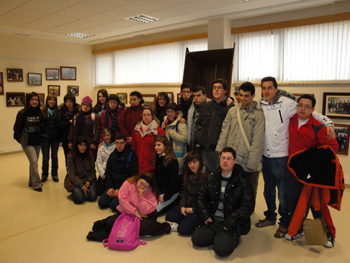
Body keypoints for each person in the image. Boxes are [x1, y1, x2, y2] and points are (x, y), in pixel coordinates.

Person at [257, 76, 335, 238]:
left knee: (283, 194)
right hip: (265, 156)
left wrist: (329, 124)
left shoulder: (287, 104)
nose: (266, 91)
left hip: (282, 158)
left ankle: (284, 223)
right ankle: (270, 217)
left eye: (270, 88)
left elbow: (314, 114)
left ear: (276, 89)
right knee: (267, 191)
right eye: (264, 88)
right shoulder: (261, 104)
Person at [285, 94, 339, 247]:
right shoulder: (290, 120)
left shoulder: (319, 127)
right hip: (293, 171)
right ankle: (298, 229)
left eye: (307, 106)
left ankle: (329, 235)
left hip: (312, 175)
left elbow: (333, 147)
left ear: (313, 110)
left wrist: (315, 159)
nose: (302, 108)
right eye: (300, 105)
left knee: (318, 205)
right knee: (294, 203)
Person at [191, 147, 255, 257]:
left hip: (229, 223)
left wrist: (230, 222)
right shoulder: (211, 177)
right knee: (196, 240)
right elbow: (200, 197)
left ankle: (229, 237)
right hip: (213, 219)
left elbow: (247, 206)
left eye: (229, 158)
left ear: (234, 161)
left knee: (220, 250)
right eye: (223, 158)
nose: (225, 161)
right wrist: (205, 215)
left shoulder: (243, 182)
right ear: (219, 159)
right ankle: (219, 236)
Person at [87, 173, 174, 242]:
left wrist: (141, 197)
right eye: (141, 183)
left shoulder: (152, 192)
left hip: (144, 215)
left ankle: (166, 226)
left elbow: (145, 211)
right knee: (110, 224)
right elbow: (122, 200)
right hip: (127, 211)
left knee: (143, 228)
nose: (142, 187)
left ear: (149, 187)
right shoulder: (128, 183)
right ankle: (108, 219)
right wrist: (134, 211)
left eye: (145, 186)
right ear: (138, 179)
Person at [216, 82, 264, 201]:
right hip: (232, 158)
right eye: (240, 95)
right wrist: (221, 151)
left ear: (253, 95)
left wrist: (252, 163)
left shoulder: (258, 115)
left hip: (248, 159)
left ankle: (246, 214)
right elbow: (224, 132)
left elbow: (258, 141)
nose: (242, 98)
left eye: (246, 96)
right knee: (231, 188)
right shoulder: (232, 111)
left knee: (248, 190)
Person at [194, 79, 234, 172]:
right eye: (214, 88)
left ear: (225, 91)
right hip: (205, 150)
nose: (216, 90)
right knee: (206, 177)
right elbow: (198, 125)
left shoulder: (230, 108)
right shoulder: (206, 106)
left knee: (219, 176)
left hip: (220, 151)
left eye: (219, 88)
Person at [166, 150, 209, 235]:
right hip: (187, 206)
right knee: (169, 217)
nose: (192, 165)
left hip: (199, 210)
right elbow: (184, 193)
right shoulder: (188, 175)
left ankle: (195, 223)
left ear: (200, 162)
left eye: (194, 162)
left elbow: (207, 200)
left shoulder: (207, 177)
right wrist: (182, 206)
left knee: (183, 230)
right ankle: (187, 220)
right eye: (190, 163)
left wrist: (193, 210)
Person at [98, 133, 138, 211]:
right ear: (115, 143)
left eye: (122, 143)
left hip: (125, 188)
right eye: (117, 143)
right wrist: (110, 187)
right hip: (113, 185)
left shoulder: (131, 156)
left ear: (125, 143)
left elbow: (132, 177)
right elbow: (108, 172)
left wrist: (120, 190)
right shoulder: (112, 156)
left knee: (114, 206)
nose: (119, 145)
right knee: (102, 203)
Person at [13, 92, 44, 192]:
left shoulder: (40, 112)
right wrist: (20, 139)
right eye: (32, 100)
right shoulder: (22, 113)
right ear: (28, 101)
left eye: (36, 100)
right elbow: (16, 127)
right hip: (27, 142)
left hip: (37, 141)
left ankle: (32, 181)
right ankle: (37, 184)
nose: (34, 102)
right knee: (34, 161)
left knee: (33, 162)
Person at [131, 107, 165, 174]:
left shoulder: (158, 130)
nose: (146, 117)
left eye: (148, 115)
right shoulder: (136, 129)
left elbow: (164, 149)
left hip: (152, 164)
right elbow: (133, 145)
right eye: (144, 115)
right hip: (139, 163)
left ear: (152, 116)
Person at [64, 137, 97, 204]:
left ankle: (83, 191)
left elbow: (92, 171)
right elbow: (72, 174)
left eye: (84, 145)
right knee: (79, 199)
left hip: (88, 181)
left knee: (93, 197)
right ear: (77, 146)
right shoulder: (71, 155)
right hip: (75, 183)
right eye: (80, 145)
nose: (83, 147)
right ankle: (77, 191)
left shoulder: (90, 154)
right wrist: (81, 186)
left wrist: (89, 180)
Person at [154, 135, 180, 214]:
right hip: (161, 191)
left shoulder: (172, 160)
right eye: (155, 145)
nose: (156, 147)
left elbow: (174, 182)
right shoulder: (158, 157)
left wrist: (166, 196)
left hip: (170, 192)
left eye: (159, 145)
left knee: (155, 211)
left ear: (165, 146)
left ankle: (176, 201)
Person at [40, 94, 60, 183]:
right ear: (47, 101)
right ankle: (44, 174)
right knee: (45, 157)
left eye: (54, 100)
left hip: (55, 137)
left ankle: (54, 174)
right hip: (44, 137)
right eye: (50, 100)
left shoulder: (58, 111)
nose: (52, 102)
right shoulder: (42, 111)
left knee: (54, 156)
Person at [59, 94, 80, 168]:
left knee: (77, 155)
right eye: (66, 101)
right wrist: (69, 121)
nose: (68, 104)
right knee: (67, 156)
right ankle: (69, 171)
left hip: (76, 136)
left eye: (70, 101)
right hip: (65, 136)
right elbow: (59, 125)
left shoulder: (78, 110)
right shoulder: (61, 111)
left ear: (73, 102)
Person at [187, 85, 210, 151]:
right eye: (194, 96)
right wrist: (189, 141)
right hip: (194, 142)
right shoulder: (191, 108)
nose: (196, 98)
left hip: (207, 144)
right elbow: (190, 126)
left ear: (204, 95)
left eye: (198, 95)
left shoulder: (210, 107)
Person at [95, 128, 116, 196]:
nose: (106, 137)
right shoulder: (100, 147)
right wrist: (102, 173)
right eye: (104, 135)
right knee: (98, 192)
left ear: (111, 135)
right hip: (104, 171)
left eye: (108, 135)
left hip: (112, 172)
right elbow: (98, 162)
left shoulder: (115, 146)